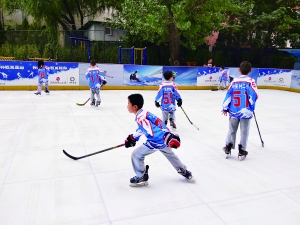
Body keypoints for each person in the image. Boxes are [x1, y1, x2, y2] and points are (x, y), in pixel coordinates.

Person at [125, 93, 194, 187]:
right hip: (164, 139)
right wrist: (133, 137)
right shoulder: (144, 113)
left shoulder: (140, 118)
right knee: (170, 154)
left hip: (156, 141)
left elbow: (152, 130)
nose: (127, 106)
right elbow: (145, 128)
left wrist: (165, 137)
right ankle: (183, 170)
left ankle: (141, 176)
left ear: (135, 106)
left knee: (136, 155)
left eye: (128, 103)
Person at [221, 61, 258, 160]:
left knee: (231, 130)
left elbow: (228, 95)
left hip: (234, 111)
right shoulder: (251, 82)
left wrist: (225, 108)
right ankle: (242, 150)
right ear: (250, 71)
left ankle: (228, 147)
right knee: (244, 131)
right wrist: (252, 106)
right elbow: (253, 95)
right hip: (245, 112)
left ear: (239, 70)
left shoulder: (234, 81)